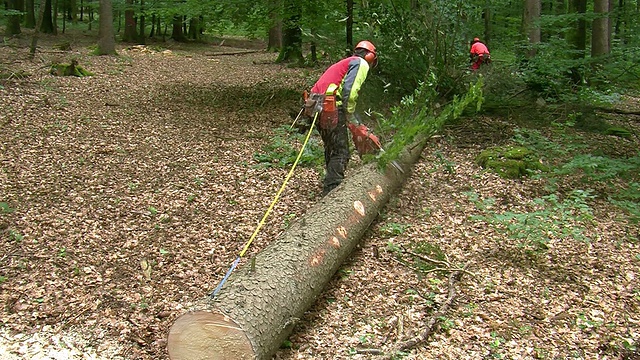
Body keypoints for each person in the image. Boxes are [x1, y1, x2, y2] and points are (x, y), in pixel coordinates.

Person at [303, 40, 377, 196]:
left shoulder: (345, 62)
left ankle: (330, 182)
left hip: (315, 105)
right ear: (370, 56)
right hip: (331, 107)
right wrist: (349, 112)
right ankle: (332, 190)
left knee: (331, 147)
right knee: (341, 151)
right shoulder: (360, 63)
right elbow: (350, 91)